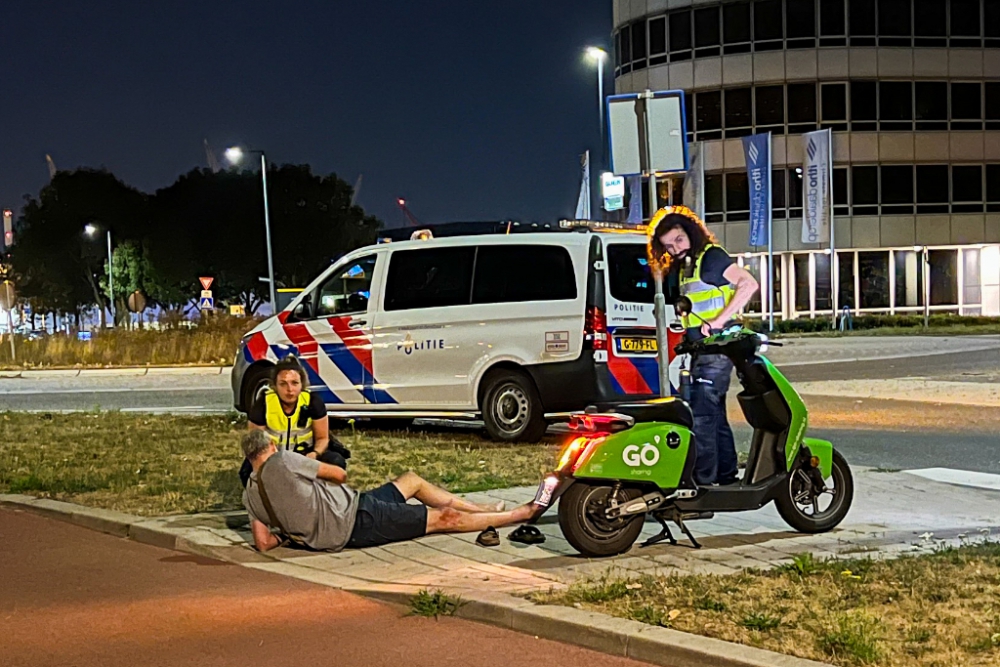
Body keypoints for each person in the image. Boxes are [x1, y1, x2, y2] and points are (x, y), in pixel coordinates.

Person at [239, 430, 532, 552]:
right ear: (272, 446)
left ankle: (485, 510)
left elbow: (262, 542)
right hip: (354, 522)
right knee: (444, 518)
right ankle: (519, 513)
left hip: (355, 507)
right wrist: (311, 462)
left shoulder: (250, 495)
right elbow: (340, 474)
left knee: (411, 481)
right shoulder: (284, 460)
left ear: (249, 457)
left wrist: (288, 533)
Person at [649, 206, 760, 486]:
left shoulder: (711, 257)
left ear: (691, 234)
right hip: (705, 350)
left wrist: (719, 320)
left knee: (701, 414)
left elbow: (749, 284)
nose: (675, 249)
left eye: (679, 240)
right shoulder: (688, 266)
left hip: (718, 349)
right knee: (713, 413)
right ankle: (725, 475)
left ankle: (702, 483)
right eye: (668, 246)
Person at [239, 355, 351, 488]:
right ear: (275, 385)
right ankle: (262, 499)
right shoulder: (263, 403)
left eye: (294, 383)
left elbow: (322, 438)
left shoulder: (313, 402)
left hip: (305, 455)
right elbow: (255, 444)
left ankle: (325, 498)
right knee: (247, 471)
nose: (289, 389)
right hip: (274, 457)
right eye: (283, 384)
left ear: (302, 384)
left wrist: (315, 454)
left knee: (336, 461)